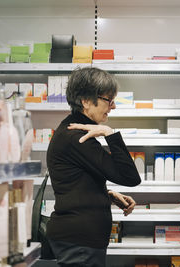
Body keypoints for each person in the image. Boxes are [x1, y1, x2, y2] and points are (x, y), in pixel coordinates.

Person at [46, 67, 141, 267]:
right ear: (86, 101)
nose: (113, 106)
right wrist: (110, 133)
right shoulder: (77, 136)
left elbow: (75, 180)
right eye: (109, 100)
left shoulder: (73, 131)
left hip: (78, 239)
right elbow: (130, 177)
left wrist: (107, 194)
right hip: (79, 241)